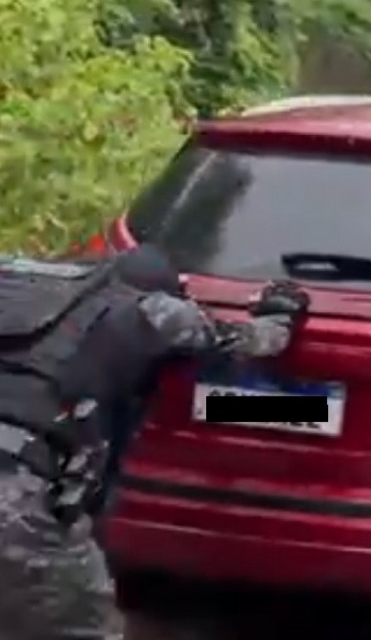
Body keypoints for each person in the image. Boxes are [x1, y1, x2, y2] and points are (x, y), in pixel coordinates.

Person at [0, 243, 310, 639]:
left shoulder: (23, 291)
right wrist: (281, 312)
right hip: (18, 496)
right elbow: (252, 341)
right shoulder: (153, 311)